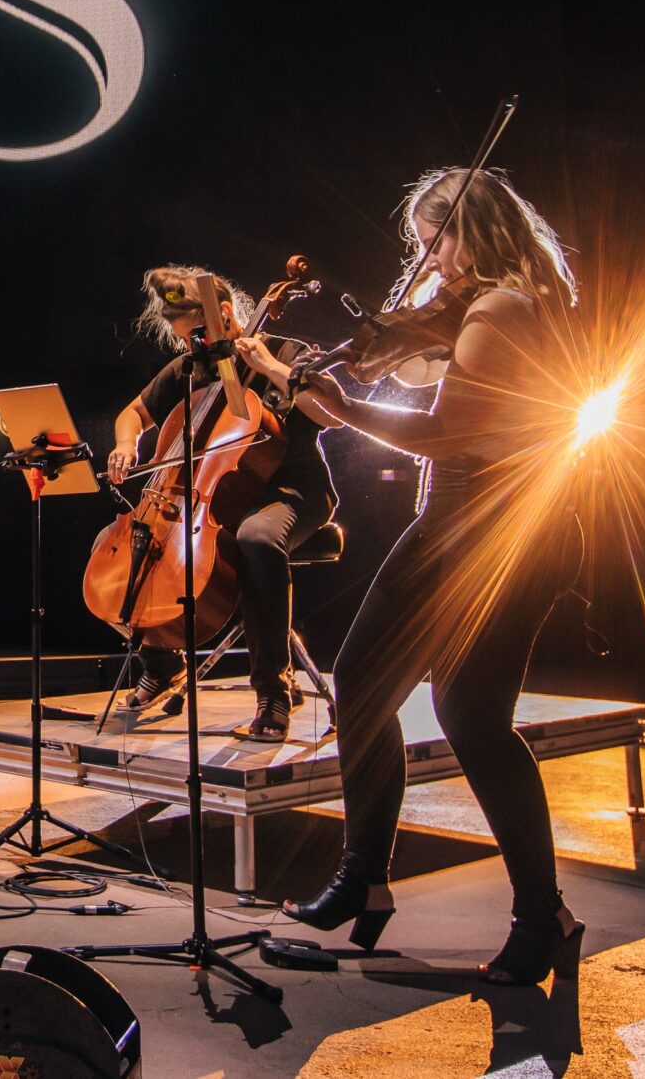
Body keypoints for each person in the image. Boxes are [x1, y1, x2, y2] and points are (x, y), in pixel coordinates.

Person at [238, 165, 586, 986]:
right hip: (488, 522)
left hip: (489, 526)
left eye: (435, 243)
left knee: (469, 715)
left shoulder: (500, 309)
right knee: (370, 686)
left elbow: (444, 434)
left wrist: (338, 405)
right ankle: (366, 877)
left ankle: (541, 918)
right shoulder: (504, 305)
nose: (431, 263)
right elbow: (430, 371)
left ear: (471, 233)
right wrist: (387, 350)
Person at [103, 266, 340, 742]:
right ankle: (161, 661)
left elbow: (333, 412)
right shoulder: (191, 368)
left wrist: (272, 368)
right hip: (217, 499)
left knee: (257, 539)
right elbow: (133, 413)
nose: (192, 347)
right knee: (119, 552)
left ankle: (273, 690)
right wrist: (126, 444)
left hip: (290, 492)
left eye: (196, 334)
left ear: (223, 313)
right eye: (184, 340)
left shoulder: (284, 351)